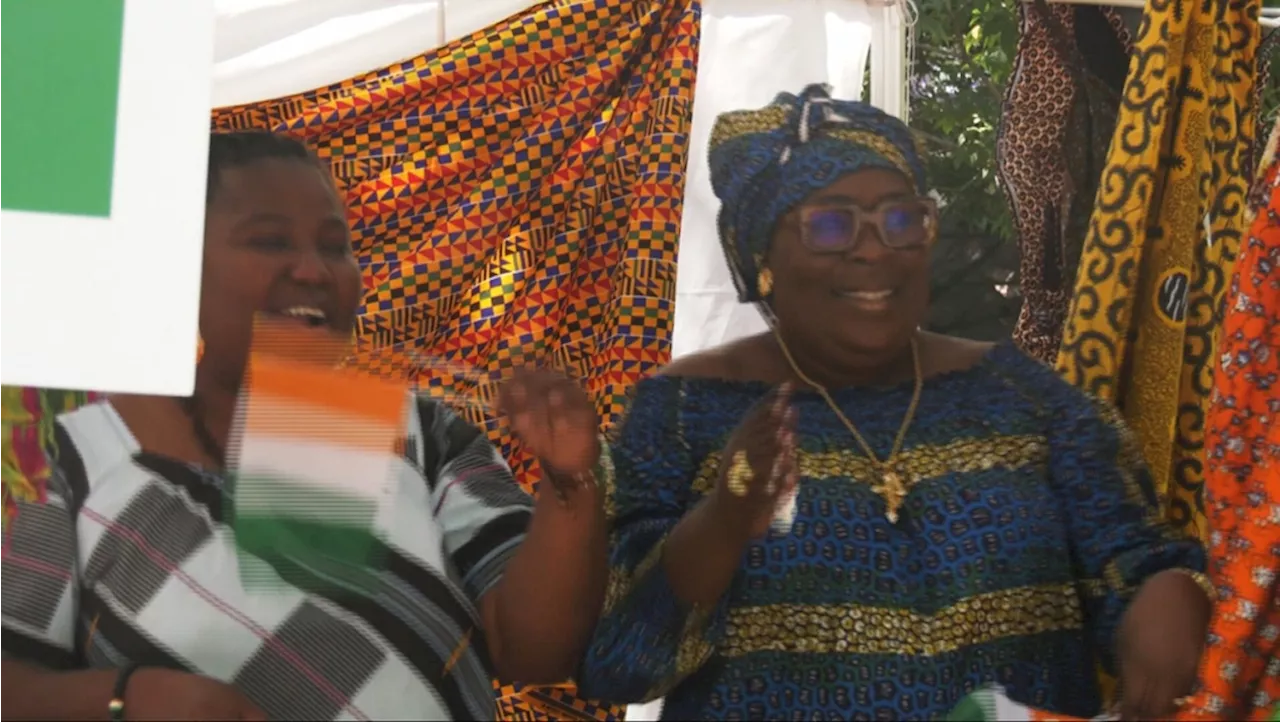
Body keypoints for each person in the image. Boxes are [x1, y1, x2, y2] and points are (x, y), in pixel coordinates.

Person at [575, 86, 1212, 720]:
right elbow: (620, 663)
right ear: (762, 254)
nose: (875, 249)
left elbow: (1138, 562)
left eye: (901, 219)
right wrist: (725, 517)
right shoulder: (685, 412)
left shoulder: (1032, 402)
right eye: (830, 223)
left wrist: (1165, 601)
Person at [0, 132, 607, 721]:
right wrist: (125, 699)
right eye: (269, 242)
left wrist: (570, 481)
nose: (315, 271)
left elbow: (531, 653)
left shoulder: (409, 426)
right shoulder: (66, 453)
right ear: (174, 267)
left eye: (335, 245)